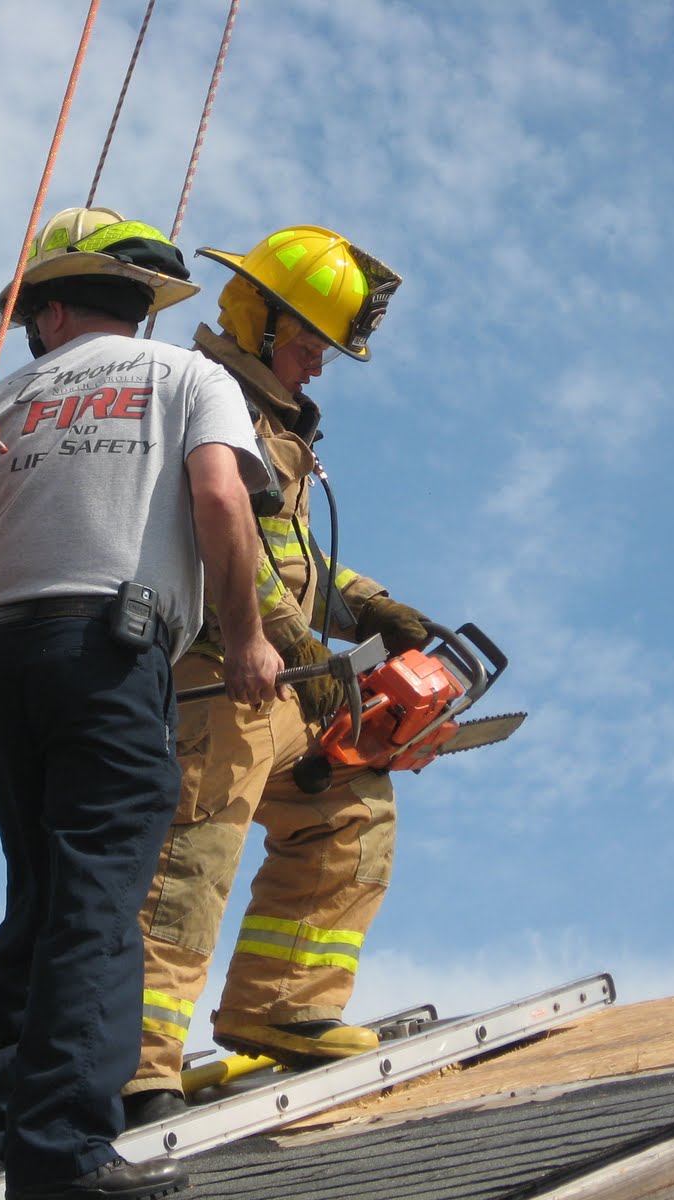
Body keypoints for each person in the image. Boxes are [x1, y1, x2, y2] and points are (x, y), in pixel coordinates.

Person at [0, 207, 282, 1200]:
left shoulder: (0, 398)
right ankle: (67, 1155)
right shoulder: (187, 378)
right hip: (109, 654)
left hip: (1, 664)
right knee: (97, 895)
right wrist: (248, 638)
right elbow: (220, 500)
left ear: (49, 314)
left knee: (37, 891)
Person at [121, 226, 430, 1126]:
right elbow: (232, 549)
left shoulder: (275, 423)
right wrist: (307, 651)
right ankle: (139, 1068)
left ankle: (282, 1004)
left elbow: (289, 558)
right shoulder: (209, 396)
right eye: (308, 345)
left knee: (352, 805)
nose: (319, 369)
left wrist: (370, 606)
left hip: (273, 681)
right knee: (186, 867)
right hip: (213, 681)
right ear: (259, 319)